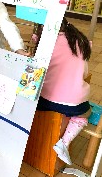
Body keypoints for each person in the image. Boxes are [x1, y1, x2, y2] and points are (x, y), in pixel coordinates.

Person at [35, 18, 92, 165]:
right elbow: (85, 73)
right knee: (84, 114)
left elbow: (36, 70)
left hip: (44, 99)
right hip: (72, 102)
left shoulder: (46, 42)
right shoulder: (81, 41)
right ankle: (64, 142)